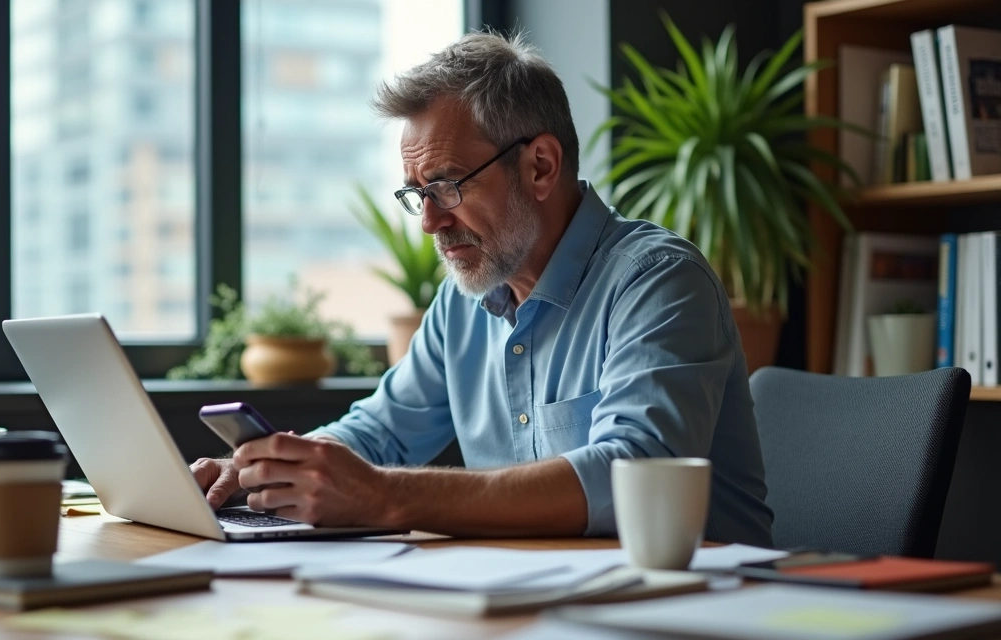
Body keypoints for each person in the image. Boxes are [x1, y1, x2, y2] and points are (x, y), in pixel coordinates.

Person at [192, 31, 773, 546]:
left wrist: (388, 496)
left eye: (446, 185)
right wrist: (255, 473)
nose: (429, 222)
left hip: (693, 608)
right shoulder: (464, 299)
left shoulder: (658, 282)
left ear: (541, 166)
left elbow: (630, 473)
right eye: (418, 194)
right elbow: (382, 432)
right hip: (528, 602)